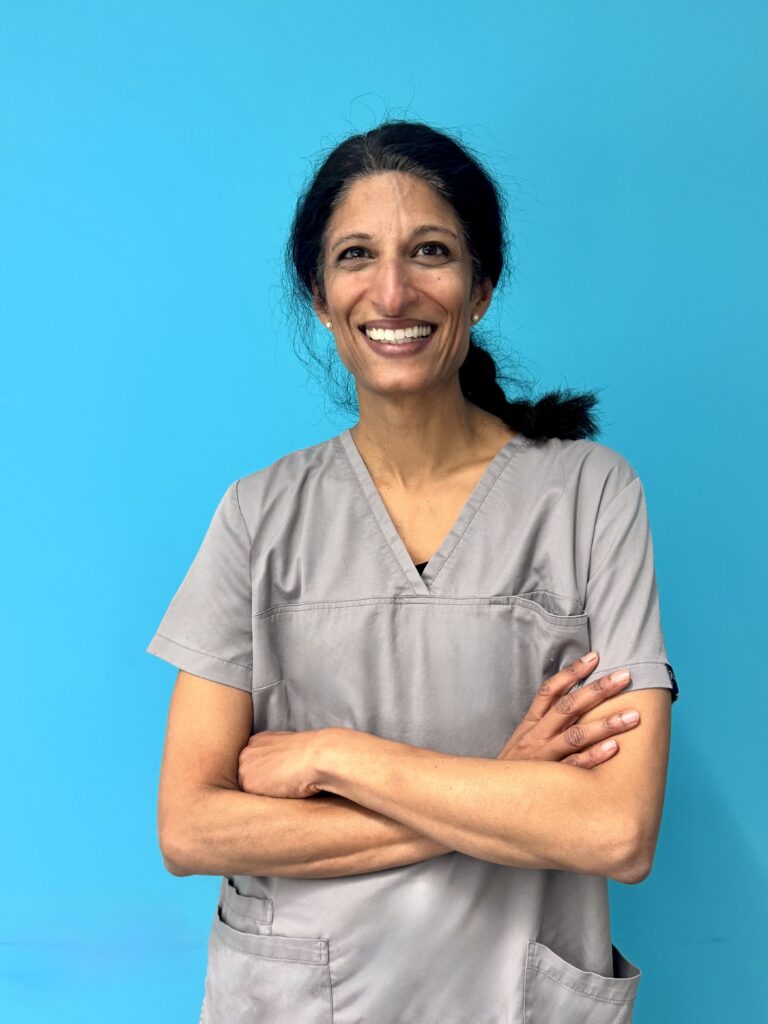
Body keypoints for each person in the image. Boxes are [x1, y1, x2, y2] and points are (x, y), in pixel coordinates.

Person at [147, 120, 678, 1024]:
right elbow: (190, 828)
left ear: (482, 286)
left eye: (430, 251)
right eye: (356, 255)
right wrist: (499, 788)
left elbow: (615, 831)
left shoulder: (592, 495)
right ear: (320, 297)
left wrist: (336, 756)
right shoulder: (258, 514)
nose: (392, 291)